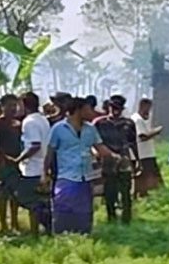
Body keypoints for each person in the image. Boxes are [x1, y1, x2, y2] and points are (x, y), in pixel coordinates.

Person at [42, 97, 119, 235]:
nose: (92, 112)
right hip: (66, 177)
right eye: (89, 109)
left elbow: (100, 147)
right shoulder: (58, 129)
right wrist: (44, 173)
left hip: (86, 177)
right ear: (79, 110)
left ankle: (83, 236)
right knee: (64, 209)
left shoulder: (91, 129)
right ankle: (62, 235)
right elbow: (49, 153)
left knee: (84, 211)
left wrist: (115, 156)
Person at [94, 95, 139, 223]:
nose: (115, 111)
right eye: (113, 108)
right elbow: (92, 141)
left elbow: (133, 143)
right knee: (109, 191)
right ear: (108, 107)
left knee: (125, 191)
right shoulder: (100, 123)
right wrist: (96, 155)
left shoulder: (128, 123)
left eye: (118, 108)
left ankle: (126, 218)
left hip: (124, 159)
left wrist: (137, 161)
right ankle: (111, 217)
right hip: (107, 160)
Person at [14, 92, 52, 236]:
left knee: (26, 198)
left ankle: (42, 227)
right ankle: (39, 232)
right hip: (42, 166)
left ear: (24, 105)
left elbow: (35, 145)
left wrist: (19, 159)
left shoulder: (29, 122)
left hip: (32, 168)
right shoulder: (43, 119)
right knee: (39, 200)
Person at [0, 94, 23, 234]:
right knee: (3, 194)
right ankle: (3, 225)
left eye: (15, 105)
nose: (13, 108)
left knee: (16, 195)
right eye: (9, 105)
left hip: (17, 162)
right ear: (2, 107)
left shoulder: (18, 123)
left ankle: (15, 223)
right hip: (2, 164)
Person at [132, 98, 164, 197]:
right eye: (148, 108)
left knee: (146, 177)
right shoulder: (137, 119)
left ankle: (144, 195)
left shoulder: (141, 119)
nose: (149, 111)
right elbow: (142, 136)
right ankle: (140, 195)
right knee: (145, 177)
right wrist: (156, 131)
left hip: (146, 153)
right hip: (143, 154)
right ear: (142, 106)